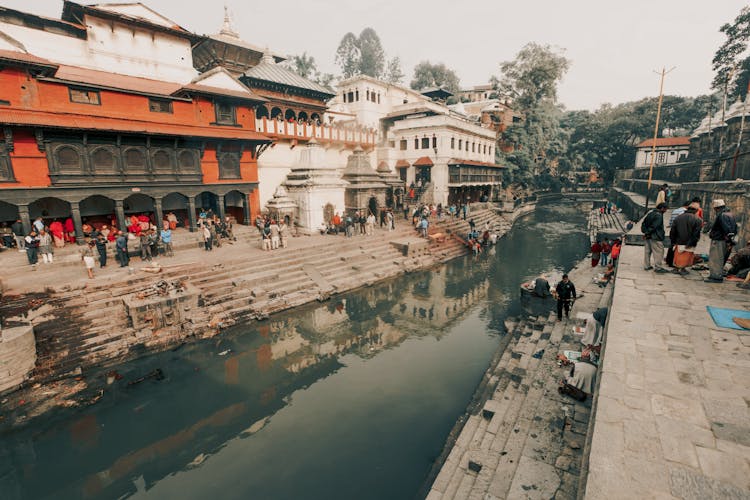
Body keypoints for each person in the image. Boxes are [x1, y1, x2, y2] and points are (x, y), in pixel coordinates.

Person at [706, 199, 737, 283]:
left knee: (716, 259)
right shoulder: (730, 214)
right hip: (724, 240)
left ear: (716, 208)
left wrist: (728, 240)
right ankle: (717, 274)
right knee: (720, 258)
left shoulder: (722, 215)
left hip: (719, 240)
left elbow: (726, 229)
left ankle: (716, 276)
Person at [669, 201, 702, 274]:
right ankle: (683, 269)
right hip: (689, 241)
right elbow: (696, 233)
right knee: (686, 256)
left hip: (679, 241)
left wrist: (673, 241)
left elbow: (673, 231)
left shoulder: (678, 217)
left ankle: (677, 268)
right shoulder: (698, 220)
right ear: (696, 210)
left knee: (678, 255)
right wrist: (692, 242)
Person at [641, 202, 668, 272]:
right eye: (665, 209)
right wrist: (647, 233)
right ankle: (658, 267)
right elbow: (654, 226)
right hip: (655, 236)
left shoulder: (650, 213)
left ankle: (647, 266)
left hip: (648, 236)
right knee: (659, 252)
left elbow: (643, 224)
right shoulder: (659, 215)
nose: (666, 211)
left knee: (647, 251)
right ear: (662, 208)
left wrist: (645, 233)